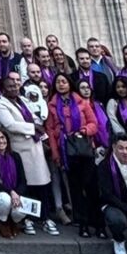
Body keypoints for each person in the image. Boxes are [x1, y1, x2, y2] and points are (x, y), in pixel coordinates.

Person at [0, 74, 59, 236]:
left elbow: (35, 117)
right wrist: (32, 128)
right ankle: (27, 218)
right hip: (20, 149)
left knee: (42, 184)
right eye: (9, 86)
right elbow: (10, 124)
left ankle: (45, 217)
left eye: (16, 85)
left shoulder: (23, 100)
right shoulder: (1, 104)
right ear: (3, 88)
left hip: (35, 146)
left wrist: (37, 127)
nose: (14, 88)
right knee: (26, 184)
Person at [46, 73, 101, 238]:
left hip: (84, 148)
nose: (61, 84)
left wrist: (84, 131)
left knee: (91, 187)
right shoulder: (52, 106)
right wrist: (55, 154)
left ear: (70, 84)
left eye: (64, 81)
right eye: (58, 82)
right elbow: (50, 131)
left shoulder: (82, 102)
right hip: (66, 151)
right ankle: (82, 223)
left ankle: (98, 224)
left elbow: (94, 124)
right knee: (75, 190)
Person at [0, 128, 27, 238]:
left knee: (21, 207)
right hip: (0, 192)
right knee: (4, 200)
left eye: (3, 137)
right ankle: (3, 222)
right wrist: (11, 192)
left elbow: (23, 180)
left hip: (16, 192)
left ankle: (14, 222)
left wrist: (17, 193)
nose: (1, 141)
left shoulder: (16, 156)